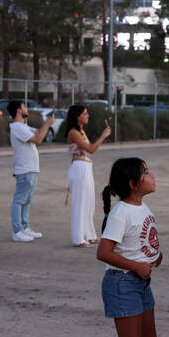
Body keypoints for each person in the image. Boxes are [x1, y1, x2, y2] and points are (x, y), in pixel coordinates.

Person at [98, 157, 167, 337]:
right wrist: (136, 265)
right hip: (122, 283)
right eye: (146, 173)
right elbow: (104, 252)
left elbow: (142, 241)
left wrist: (153, 257)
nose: (152, 176)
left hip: (141, 282)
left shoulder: (142, 206)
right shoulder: (121, 213)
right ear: (133, 184)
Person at [9, 100, 56, 242]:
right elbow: (38, 139)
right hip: (24, 170)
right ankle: (17, 231)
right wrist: (47, 125)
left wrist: (45, 124)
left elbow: (37, 132)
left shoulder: (23, 126)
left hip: (31, 169)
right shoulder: (17, 127)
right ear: (18, 110)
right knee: (19, 200)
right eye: (24, 106)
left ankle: (25, 227)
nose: (26, 109)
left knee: (26, 201)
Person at [65, 105, 111, 247]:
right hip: (79, 169)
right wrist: (103, 136)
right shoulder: (74, 132)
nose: (88, 115)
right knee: (80, 203)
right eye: (85, 113)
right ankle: (78, 238)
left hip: (85, 167)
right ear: (77, 116)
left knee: (88, 203)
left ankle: (89, 234)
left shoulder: (80, 131)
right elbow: (91, 149)